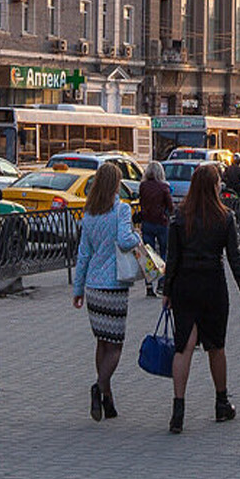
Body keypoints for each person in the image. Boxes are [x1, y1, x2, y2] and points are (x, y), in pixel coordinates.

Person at [162, 163, 240, 433]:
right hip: (213, 284)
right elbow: (234, 257)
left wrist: (166, 291)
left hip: (184, 285)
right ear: (214, 187)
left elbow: (172, 258)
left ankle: (178, 410)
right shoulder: (224, 217)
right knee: (216, 346)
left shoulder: (180, 217)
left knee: (183, 347)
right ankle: (221, 402)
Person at [72, 162, 141, 422]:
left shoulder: (89, 213)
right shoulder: (121, 209)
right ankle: (99, 387)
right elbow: (124, 240)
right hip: (114, 286)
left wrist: (78, 288)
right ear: (115, 184)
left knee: (102, 341)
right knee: (116, 345)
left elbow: (84, 253)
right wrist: (137, 237)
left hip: (93, 286)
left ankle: (108, 400)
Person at [136, 161, 174, 299]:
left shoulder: (143, 186)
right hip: (161, 223)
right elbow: (170, 206)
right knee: (163, 252)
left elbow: (141, 203)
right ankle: (161, 284)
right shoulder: (164, 187)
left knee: (148, 255)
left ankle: (149, 285)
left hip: (147, 223)